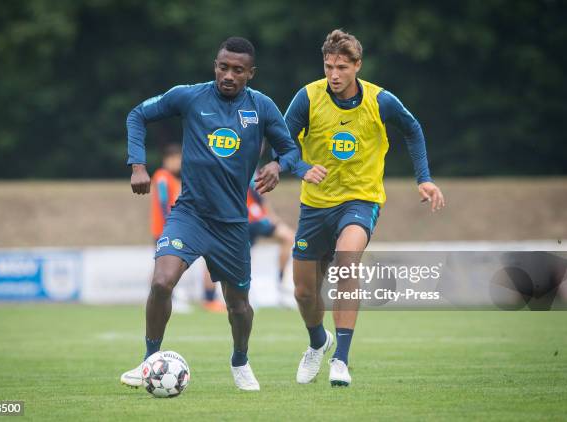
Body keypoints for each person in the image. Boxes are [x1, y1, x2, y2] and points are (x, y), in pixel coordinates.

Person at [121, 36, 326, 391]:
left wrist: (278, 166)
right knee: (161, 282)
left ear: (251, 73)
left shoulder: (261, 107)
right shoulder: (189, 96)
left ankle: (240, 359)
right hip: (190, 215)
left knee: (238, 307)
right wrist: (138, 164)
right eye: (223, 67)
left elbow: (290, 150)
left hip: (233, 224)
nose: (228, 75)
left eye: (237, 70)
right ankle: (149, 361)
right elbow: (137, 114)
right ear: (215, 65)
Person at [285, 29, 445, 387]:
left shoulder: (380, 100)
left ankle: (340, 359)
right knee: (304, 291)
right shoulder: (307, 98)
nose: (334, 75)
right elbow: (283, 143)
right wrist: (298, 168)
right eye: (328, 67)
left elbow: (412, 129)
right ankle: (318, 342)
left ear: (357, 65)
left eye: (342, 67)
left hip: (361, 200)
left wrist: (424, 177)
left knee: (347, 257)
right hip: (315, 206)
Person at [150, 145, 224, 312]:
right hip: (165, 228)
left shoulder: (176, 180)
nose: (179, 163)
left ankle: (162, 298)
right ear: (167, 159)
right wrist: (169, 224)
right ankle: (162, 299)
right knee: (165, 265)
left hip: (175, 228)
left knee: (166, 265)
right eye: (176, 159)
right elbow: (163, 202)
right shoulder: (162, 176)